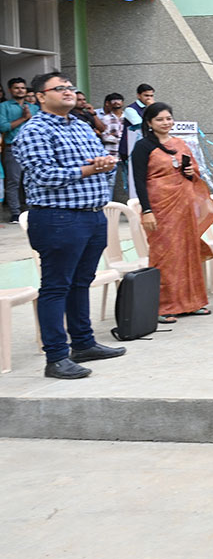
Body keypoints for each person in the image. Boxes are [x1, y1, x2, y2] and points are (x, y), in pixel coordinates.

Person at [16, 72, 125, 379]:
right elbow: (44, 175)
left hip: (92, 215)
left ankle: (84, 343)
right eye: (59, 88)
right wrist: (92, 168)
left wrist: (102, 167)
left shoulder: (81, 125)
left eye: (70, 87)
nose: (68, 91)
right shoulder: (34, 130)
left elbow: (99, 165)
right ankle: (56, 357)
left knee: (81, 282)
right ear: (40, 97)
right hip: (57, 217)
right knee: (56, 286)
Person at [131, 102, 213, 324]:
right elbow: (139, 181)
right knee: (164, 254)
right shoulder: (143, 147)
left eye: (169, 118)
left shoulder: (181, 144)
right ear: (149, 123)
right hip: (160, 207)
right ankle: (162, 305)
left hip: (184, 206)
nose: (166, 123)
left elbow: (193, 173)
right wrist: (147, 210)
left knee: (188, 251)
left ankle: (192, 302)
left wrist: (190, 172)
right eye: (160, 119)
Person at [1, 77, 37, 221]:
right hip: (12, 148)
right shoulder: (4, 106)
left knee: (31, 180)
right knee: (13, 182)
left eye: (22, 87)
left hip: (32, 149)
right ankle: (15, 212)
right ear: (10, 90)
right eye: (16, 88)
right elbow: (3, 127)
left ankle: (31, 210)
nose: (20, 90)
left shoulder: (34, 107)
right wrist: (23, 118)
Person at [97, 94, 126, 200]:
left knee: (130, 179)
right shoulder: (105, 118)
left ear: (122, 102)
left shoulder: (127, 117)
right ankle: (108, 206)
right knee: (110, 182)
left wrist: (115, 137)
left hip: (126, 154)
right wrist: (121, 139)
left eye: (119, 100)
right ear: (109, 103)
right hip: (111, 153)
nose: (117, 102)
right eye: (114, 101)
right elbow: (105, 137)